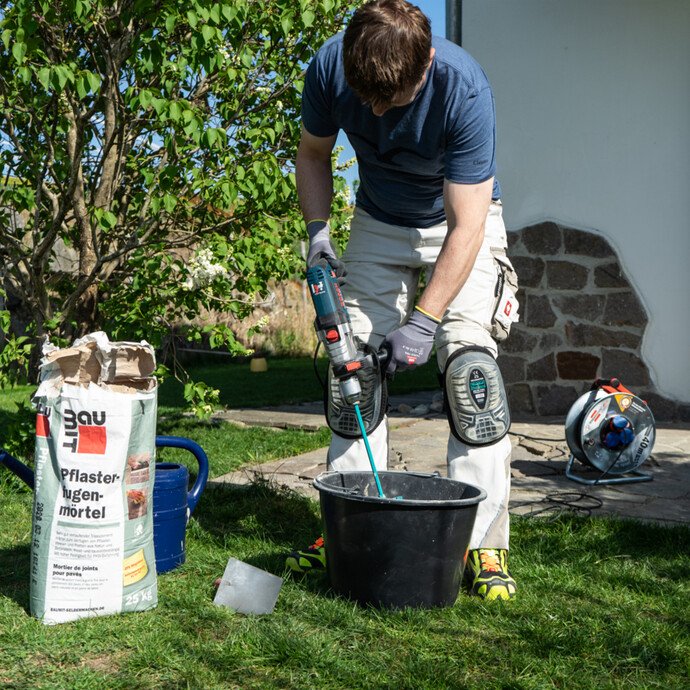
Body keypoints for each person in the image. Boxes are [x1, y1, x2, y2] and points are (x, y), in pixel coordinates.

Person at [286, 0, 520, 601]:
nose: (377, 112)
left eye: (393, 100)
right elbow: (312, 154)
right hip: (379, 218)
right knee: (351, 374)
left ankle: (483, 545)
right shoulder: (330, 69)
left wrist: (423, 322)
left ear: (428, 63)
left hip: (458, 220)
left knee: (473, 375)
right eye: (368, 100)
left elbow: (467, 225)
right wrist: (317, 235)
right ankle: (350, 525)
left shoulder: (464, 90)